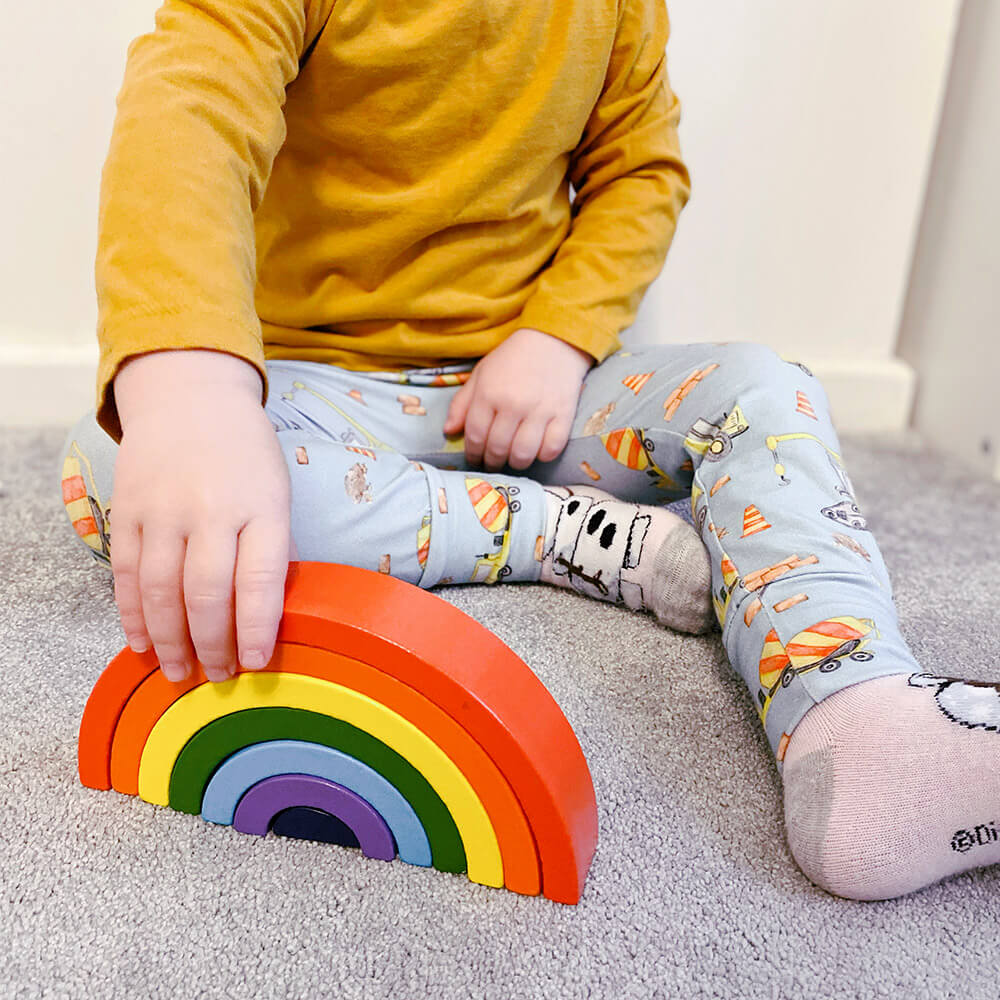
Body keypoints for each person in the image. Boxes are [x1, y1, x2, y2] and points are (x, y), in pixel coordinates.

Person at [59, 0, 1000, 903]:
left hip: (526, 398)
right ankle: (553, 535)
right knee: (109, 468)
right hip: (319, 383)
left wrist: (557, 336)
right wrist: (190, 389)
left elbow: (641, 172)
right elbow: (190, 102)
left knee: (764, 386)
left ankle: (855, 713)